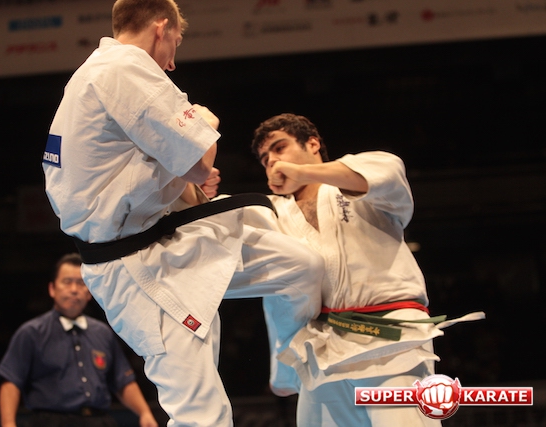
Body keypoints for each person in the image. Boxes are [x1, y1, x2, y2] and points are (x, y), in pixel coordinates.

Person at [41, 1, 324, 426]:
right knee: (201, 415)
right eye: (176, 40)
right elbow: (200, 161)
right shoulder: (124, 67)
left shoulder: (95, 75)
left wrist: (187, 186)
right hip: (136, 266)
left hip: (163, 238)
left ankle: (287, 368)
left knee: (301, 265)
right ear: (162, 28)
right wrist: (205, 120)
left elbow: (153, 176)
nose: (173, 60)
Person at [247, 113, 484, 427]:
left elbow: (387, 172)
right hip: (323, 350)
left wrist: (299, 171)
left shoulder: (361, 180)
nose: (273, 162)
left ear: (313, 144)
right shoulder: (273, 213)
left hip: (391, 339)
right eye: (265, 159)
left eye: (280, 148)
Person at [0, 253, 158, 427]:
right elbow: (11, 381)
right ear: (52, 289)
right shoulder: (31, 333)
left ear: (89, 292)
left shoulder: (103, 333)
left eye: (81, 283)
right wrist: (8, 423)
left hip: (99, 420)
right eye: (67, 282)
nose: (74, 289)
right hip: (51, 422)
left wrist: (144, 412)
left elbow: (122, 381)